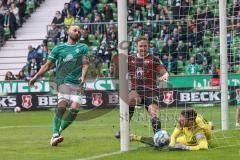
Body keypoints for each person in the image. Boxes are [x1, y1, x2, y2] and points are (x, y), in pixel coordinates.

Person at [29, 25, 89, 146]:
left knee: (75, 109)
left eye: (78, 31)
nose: (77, 32)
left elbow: (85, 64)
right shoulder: (58, 48)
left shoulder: (83, 47)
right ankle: (55, 134)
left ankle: (57, 133)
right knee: (62, 107)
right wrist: (35, 77)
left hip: (77, 84)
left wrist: (83, 76)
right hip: (63, 82)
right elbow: (47, 65)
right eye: (74, 30)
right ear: (68, 32)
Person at [115, 36, 169, 138]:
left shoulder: (154, 59)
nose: (143, 48)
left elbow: (163, 71)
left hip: (151, 91)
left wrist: (165, 75)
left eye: (145, 46)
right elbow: (120, 71)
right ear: (136, 47)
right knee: (129, 100)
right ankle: (124, 130)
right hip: (137, 90)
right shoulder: (130, 59)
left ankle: (158, 136)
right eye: (140, 46)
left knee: (153, 112)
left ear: (148, 46)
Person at [131, 108, 214, 151]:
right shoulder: (181, 123)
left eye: (182, 118)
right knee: (165, 141)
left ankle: (210, 125)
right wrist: (171, 145)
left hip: (195, 140)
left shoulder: (199, 129)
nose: (179, 120)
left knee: (207, 129)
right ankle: (134, 137)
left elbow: (204, 147)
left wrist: (185, 148)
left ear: (190, 120)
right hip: (187, 140)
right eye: (180, 117)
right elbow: (174, 136)